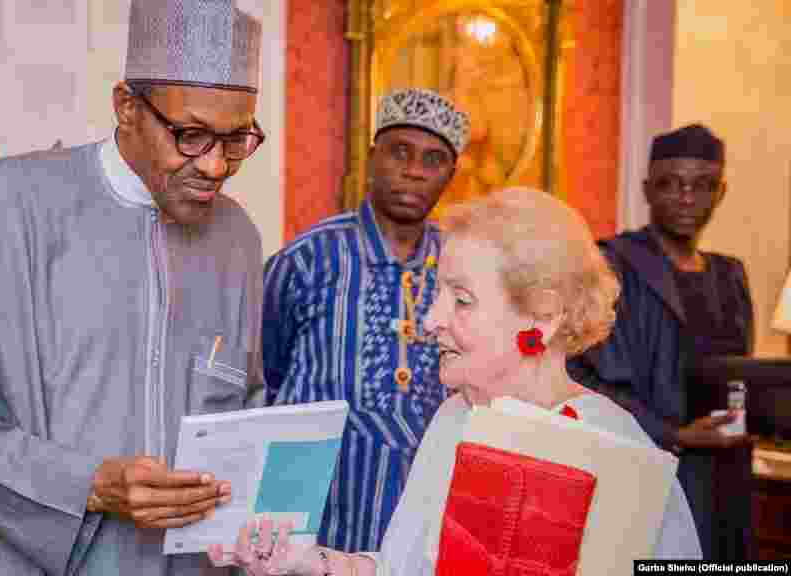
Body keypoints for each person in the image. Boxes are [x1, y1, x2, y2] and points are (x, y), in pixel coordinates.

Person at [0, 0, 267, 574]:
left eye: (237, 140)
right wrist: (87, 485)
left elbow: (242, 409)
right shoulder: (4, 205)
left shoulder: (236, 238)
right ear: (126, 107)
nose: (215, 166)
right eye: (191, 135)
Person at [210, 187, 701, 575]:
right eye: (436, 293)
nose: (430, 320)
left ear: (543, 315)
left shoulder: (611, 443)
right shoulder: (455, 417)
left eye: (461, 300)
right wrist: (311, 563)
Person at [262, 87, 468, 553]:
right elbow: (264, 369)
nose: (414, 170)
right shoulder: (311, 256)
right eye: (400, 152)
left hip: (418, 504)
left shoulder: (459, 265)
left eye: (433, 160)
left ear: (450, 175)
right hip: (311, 505)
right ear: (372, 156)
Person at [567, 124, 754, 560]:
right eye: (671, 183)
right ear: (648, 190)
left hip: (725, 476)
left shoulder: (730, 276)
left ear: (720, 192)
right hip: (650, 468)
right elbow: (578, 374)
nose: (686, 197)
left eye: (702, 185)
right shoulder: (613, 265)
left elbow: (739, 378)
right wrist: (674, 434)